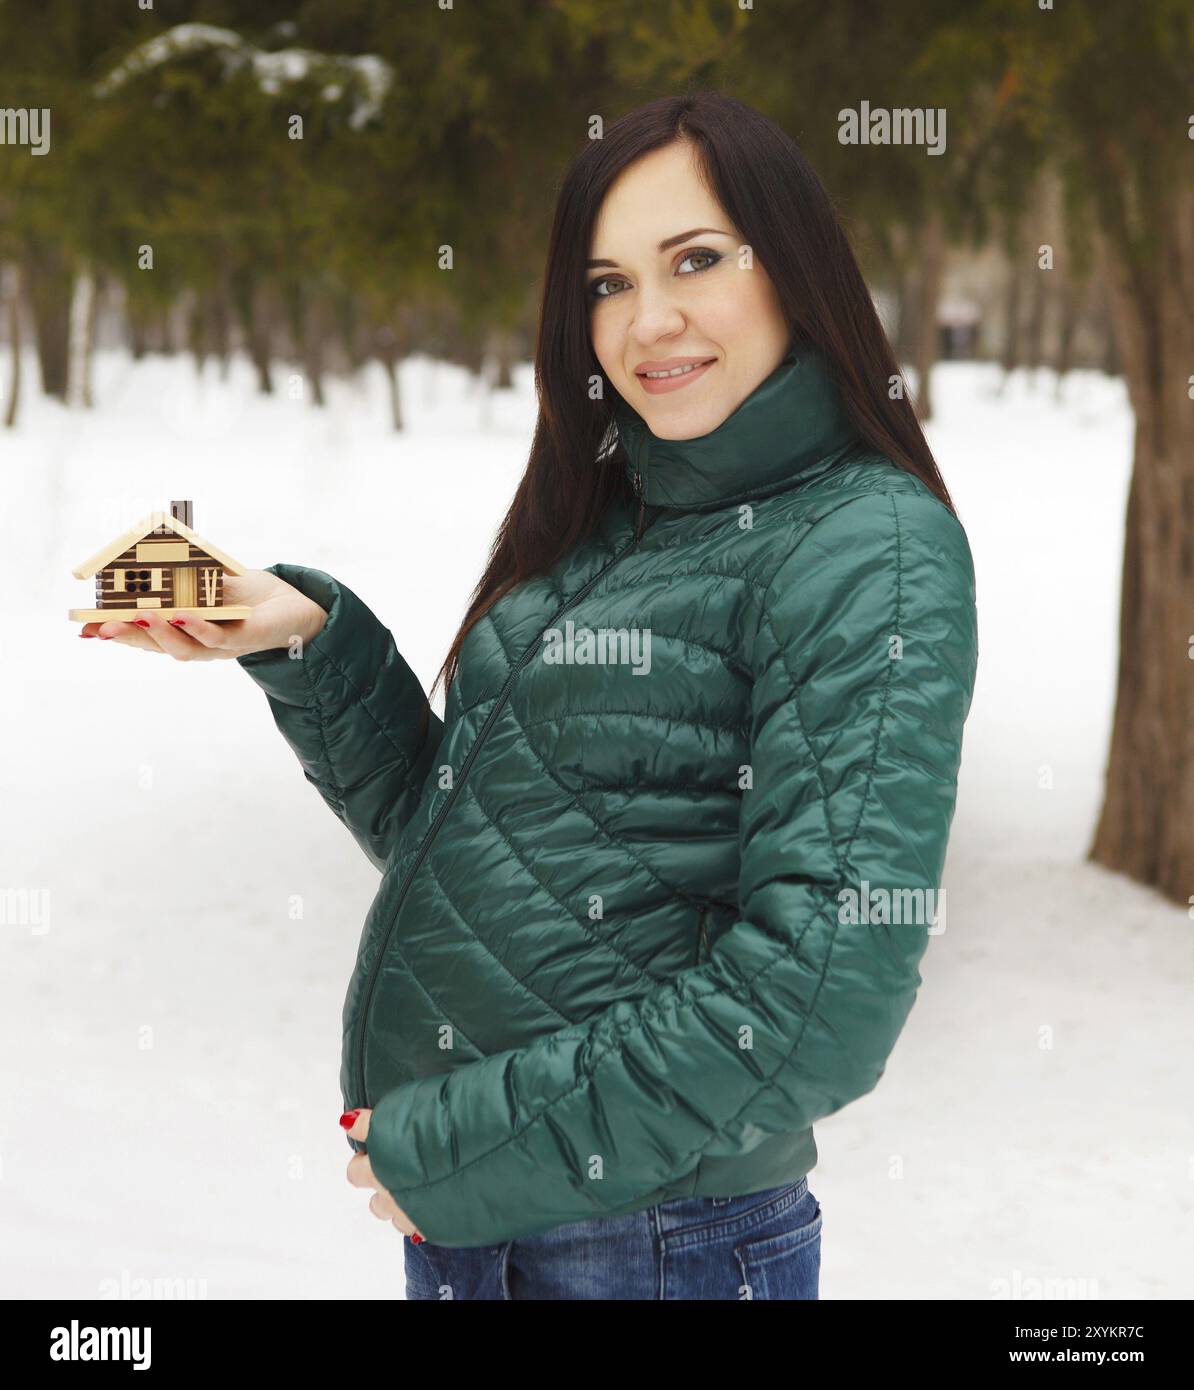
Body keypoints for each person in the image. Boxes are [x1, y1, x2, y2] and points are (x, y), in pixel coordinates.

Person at [81, 91, 978, 1300]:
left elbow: (824, 991)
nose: (647, 320)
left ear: (796, 267)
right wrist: (306, 643)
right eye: (606, 283)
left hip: (656, 1244)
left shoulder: (869, 544)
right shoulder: (617, 518)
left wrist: (468, 1155)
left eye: (697, 260)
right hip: (495, 1231)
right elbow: (485, 850)